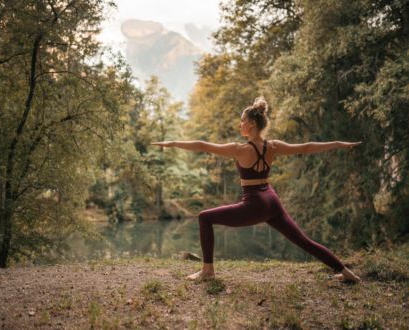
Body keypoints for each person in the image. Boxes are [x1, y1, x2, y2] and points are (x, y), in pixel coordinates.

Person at [150, 96, 361, 283]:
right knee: (304, 241)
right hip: (271, 200)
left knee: (205, 217)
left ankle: (207, 271)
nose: (240, 124)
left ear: (251, 124)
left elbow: (202, 145)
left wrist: (173, 143)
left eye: (242, 121)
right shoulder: (273, 146)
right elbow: (306, 147)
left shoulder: (239, 149)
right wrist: (337, 143)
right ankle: (345, 271)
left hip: (255, 203)